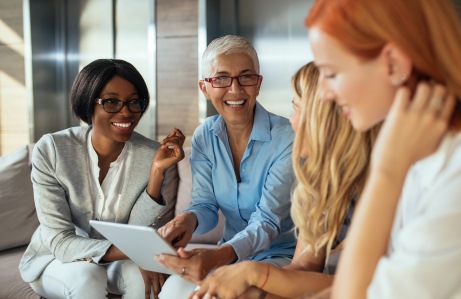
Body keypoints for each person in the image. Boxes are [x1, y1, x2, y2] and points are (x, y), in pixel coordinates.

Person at [304, 0, 461, 298]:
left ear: (393, 63)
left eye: (330, 73)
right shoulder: (423, 148)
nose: (323, 93)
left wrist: (387, 171)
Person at [188, 62, 380, 299]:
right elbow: (305, 267)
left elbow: (370, 285)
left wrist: (255, 276)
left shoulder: (382, 182)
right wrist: (254, 290)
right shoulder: (321, 183)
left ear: (325, 118)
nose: (291, 121)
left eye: (297, 109)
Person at [18, 59, 186, 299]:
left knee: (144, 283)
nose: (126, 112)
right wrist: (136, 252)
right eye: (111, 102)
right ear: (88, 104)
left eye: (133, 102)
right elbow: (60, 241)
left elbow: (134, 230)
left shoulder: (151, 153)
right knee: (87, 276)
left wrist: (157, 172)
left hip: (115, 258)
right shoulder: (53, 149)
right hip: (55, 259)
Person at [155, 35, 297, 299]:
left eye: (246, 77)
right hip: (229, 255)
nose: (235, 89)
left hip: (281, 257)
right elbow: (206, 205)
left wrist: (218, 256)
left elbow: (268, 222)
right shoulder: (204, 136)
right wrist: (188, 219)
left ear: (258, 84)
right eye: (221, 78)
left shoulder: (287, 138)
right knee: (172, 292)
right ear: (205, 88)